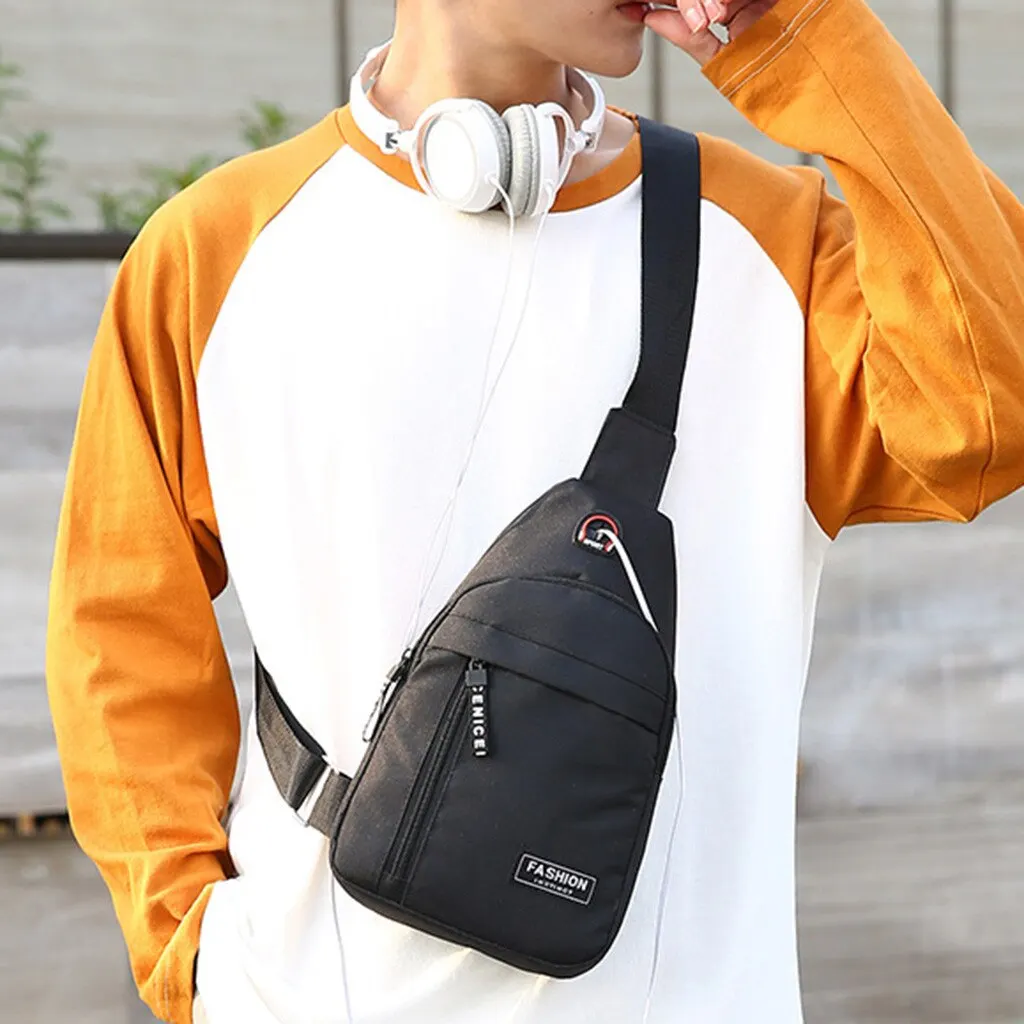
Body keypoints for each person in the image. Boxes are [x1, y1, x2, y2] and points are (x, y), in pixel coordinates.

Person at [46, 0, 1024, 1022]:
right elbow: (119, 633)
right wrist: (190, 947)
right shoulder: (219, 252)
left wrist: (800, 34)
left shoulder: (772, 244)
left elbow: (987, 417)